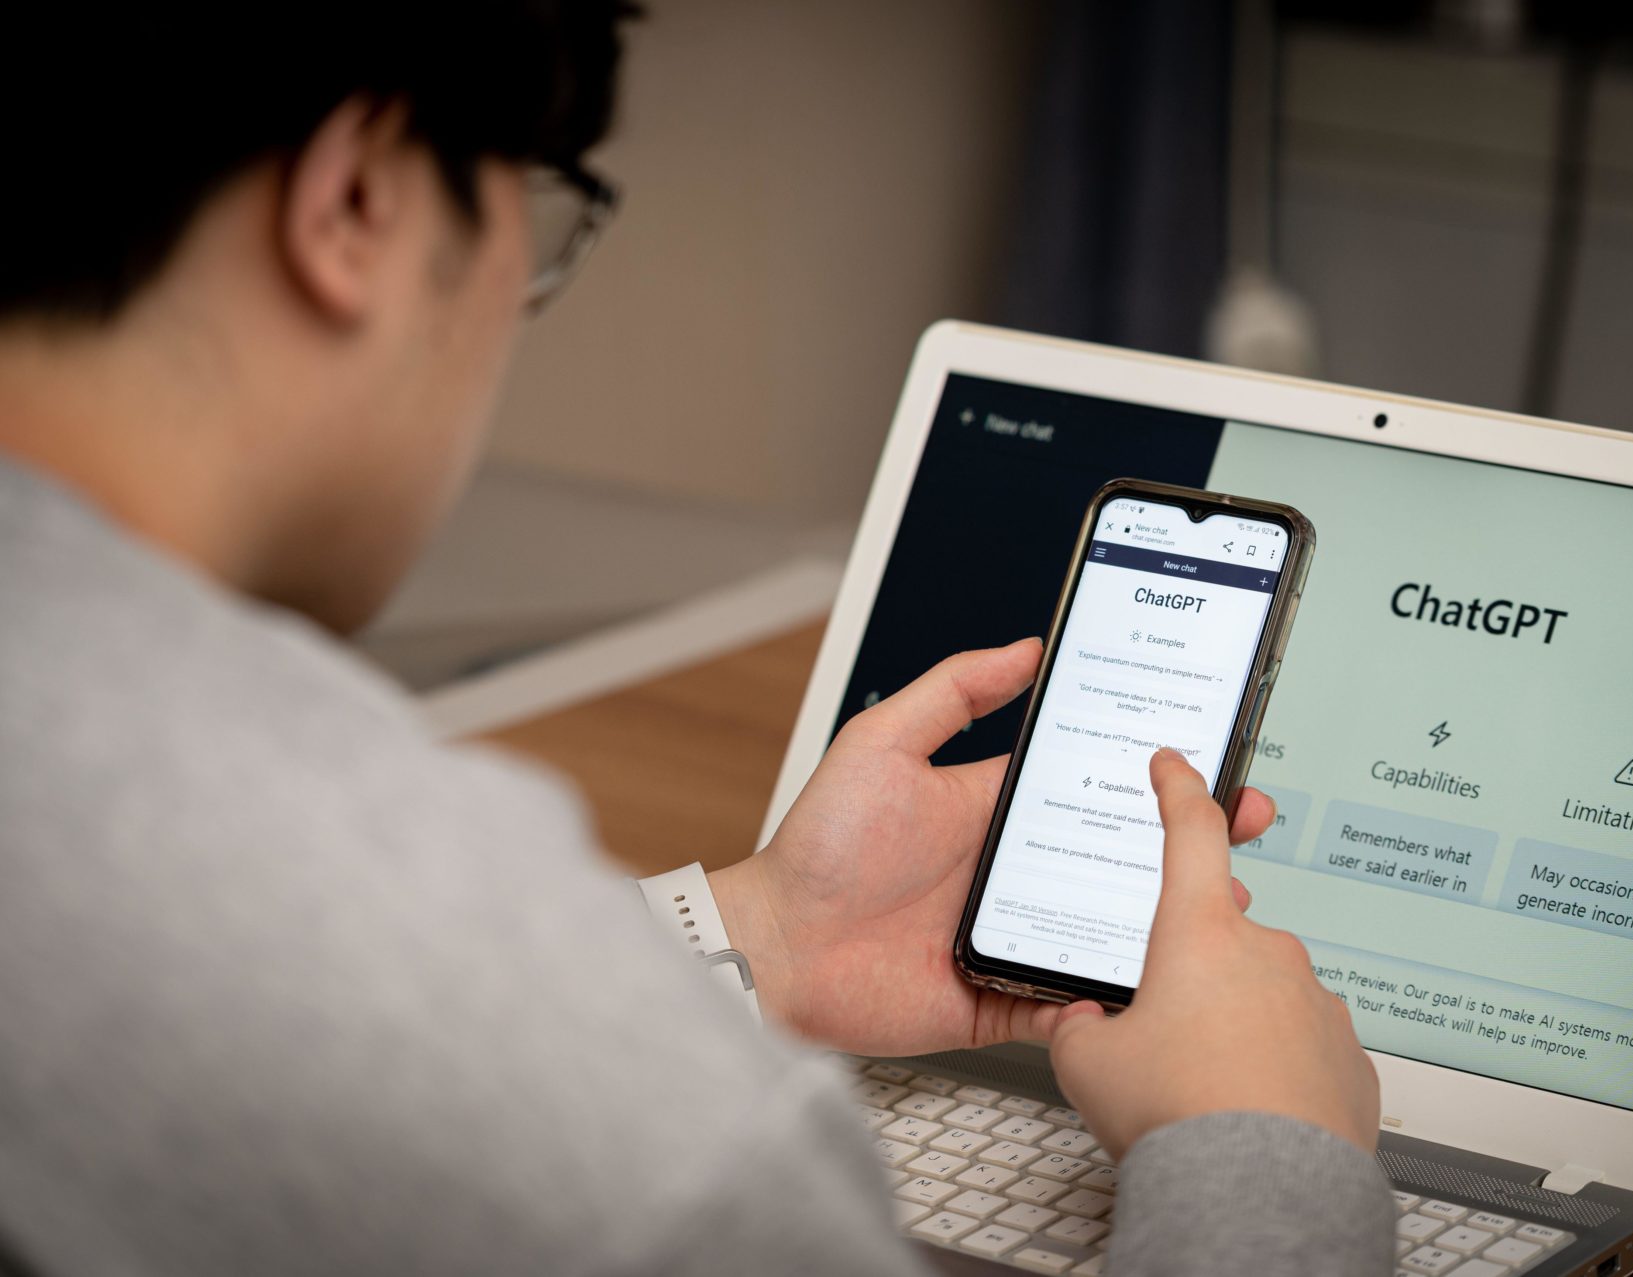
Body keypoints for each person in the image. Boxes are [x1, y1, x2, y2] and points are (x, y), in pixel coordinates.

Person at [0, 4, 1392, 1274]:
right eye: (540, 222)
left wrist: (765, 936)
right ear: (357, 198)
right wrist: (1266, 1148)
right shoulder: (632, 1140)